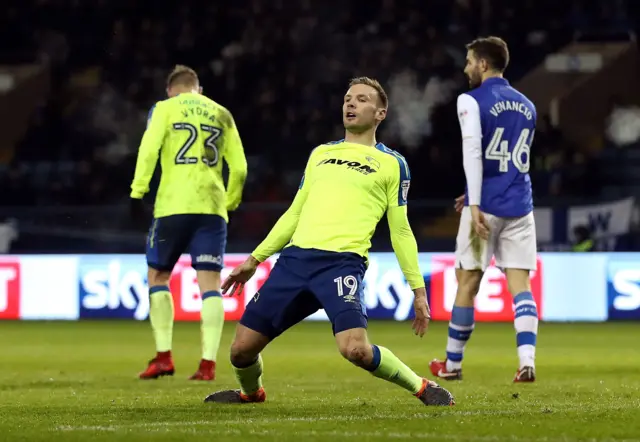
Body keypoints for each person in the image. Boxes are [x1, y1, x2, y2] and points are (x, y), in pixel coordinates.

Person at [203, 77, 454, 406]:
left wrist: (417, 290)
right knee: (240, 351)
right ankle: (252, 393)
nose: (351, 104)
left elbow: (401, 230)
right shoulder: (321, 154)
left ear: (381, 113)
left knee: (356, 350)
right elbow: (294, 214)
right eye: (348, 98)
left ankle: (421, 387)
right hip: (294, 263)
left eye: (362, 99)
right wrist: (254, 261)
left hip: (341, 265)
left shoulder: (393, 164)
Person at [429, 37, 539, 383]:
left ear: (483, 65)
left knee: (467, 281)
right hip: (521, 206)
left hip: (485, 208)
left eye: (469, 61)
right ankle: (527, 362)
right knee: (521, 285)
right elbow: (507, 160)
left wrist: (474, 203)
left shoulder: (470, 101)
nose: (465, 68)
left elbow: (474, 153)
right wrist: (471, 193)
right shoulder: (529, 105)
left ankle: (453, 365)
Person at [129, 65, 248, 381]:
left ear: (171, 90)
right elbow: (239, 168)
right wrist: (230, 201)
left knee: (158, 275)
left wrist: (138, 190)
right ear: (199, 90)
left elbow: (149, 147)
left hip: (173, 206)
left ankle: (164, 358)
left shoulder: (165, 108)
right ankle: (207, 365)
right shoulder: (221, 113)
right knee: (210, 284)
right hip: (212, 208)